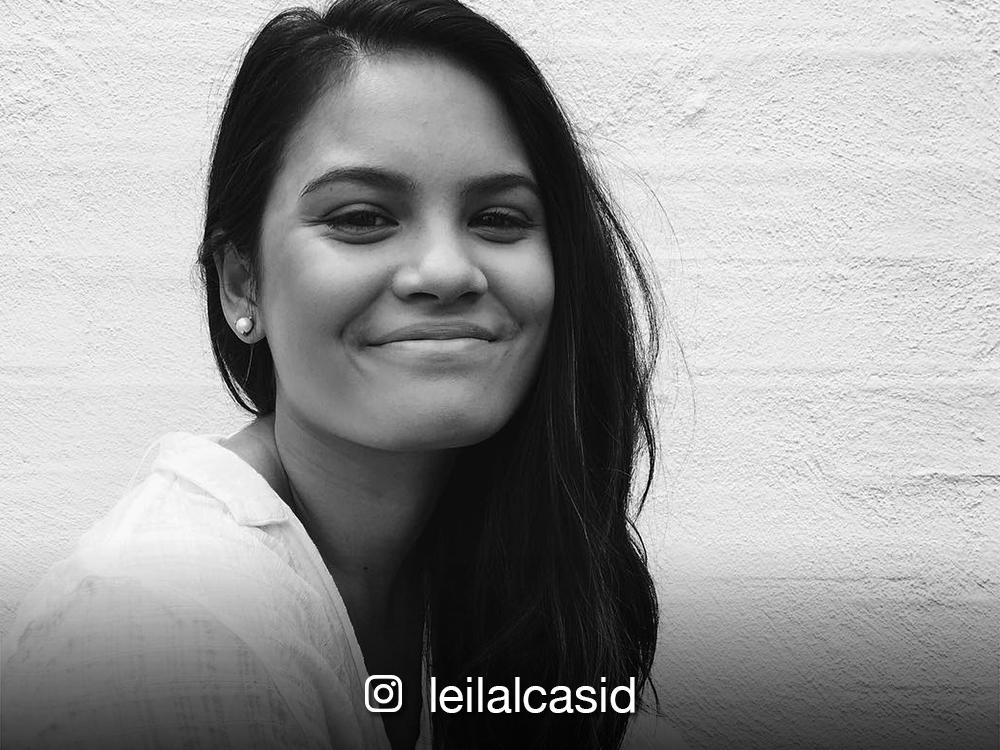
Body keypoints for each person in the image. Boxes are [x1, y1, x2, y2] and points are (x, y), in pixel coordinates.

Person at [2, 1, 680, 748]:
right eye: (361, 218)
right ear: (242, 285)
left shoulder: (506, 569)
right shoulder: (159, 631)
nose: (445, 271)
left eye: (499, 218)